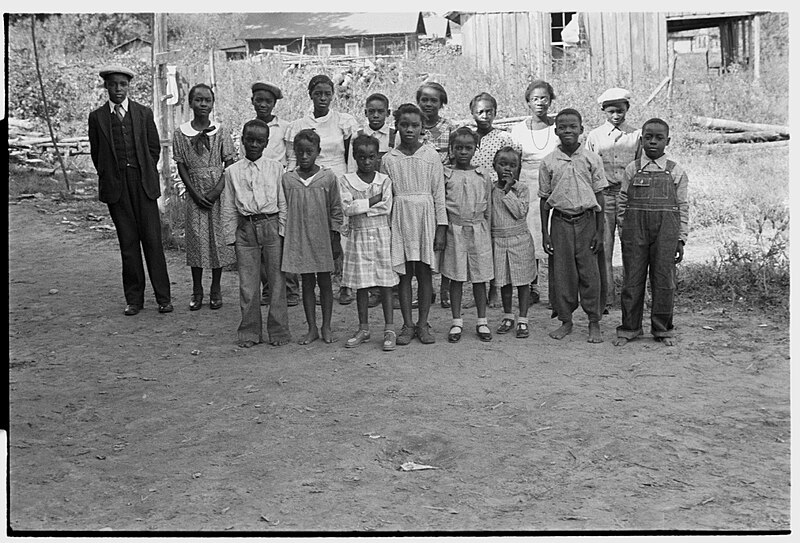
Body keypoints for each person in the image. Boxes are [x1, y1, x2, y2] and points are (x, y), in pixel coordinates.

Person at [88, 65, 172, 316]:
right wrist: (111, 176)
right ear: (106, 87)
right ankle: (134, 300)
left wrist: (143, 170)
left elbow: (153, 148)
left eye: (122, 85)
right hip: (117, 187)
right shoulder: (97, 117)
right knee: (128, 243)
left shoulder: (143, 113)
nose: (117, 89)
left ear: (128, 87)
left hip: (143, 183)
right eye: (113, 84)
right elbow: (96, 153)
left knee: (153, 241)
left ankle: (164, 298)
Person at [613, 118, 689, 347]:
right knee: (632, 280)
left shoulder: (675, 171)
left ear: (668, 140)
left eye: (659, 138)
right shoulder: (632, 169)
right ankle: (630, 328)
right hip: (635, 231)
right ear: (641, 139)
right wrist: (624, 229)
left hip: (666, 231)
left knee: (664, 280)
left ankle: (662, 329)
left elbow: (683, 206)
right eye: (648, 137)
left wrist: (680, 238)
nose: (653, 142)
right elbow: (622, 201)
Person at [285, 75, 358, 306]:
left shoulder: (343, 121)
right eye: (318, 93)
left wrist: (351, 184)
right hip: (307, 182)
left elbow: (351, 154)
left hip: (338, 180)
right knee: (312, 233)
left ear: (333, 95)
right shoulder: (298, 125)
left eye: (327, 93)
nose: (323, 98)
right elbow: (292, 159)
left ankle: (345, 284)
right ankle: (312, 285)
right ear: (310, 95)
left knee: (342, 234)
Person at [380, 104, 447, 345]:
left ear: (422, 127)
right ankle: (407, 324)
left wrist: (441, 227)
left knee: (425, 273)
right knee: (405, 275)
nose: (409, 129)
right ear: (396, 126)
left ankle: (423, 323)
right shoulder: (389, 159)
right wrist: (387, 228)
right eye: (404, 125)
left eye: (415, 125)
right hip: (400, 218)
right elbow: (387, 197)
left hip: (426, 218)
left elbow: (439, 193)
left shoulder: (431, 155)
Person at [539, 108, 607, 343]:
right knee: (563, 274)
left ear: (581, 129)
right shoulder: (548, 162)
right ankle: (565, 321)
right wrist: (545, 234)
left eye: (572, 127)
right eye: (562, 127)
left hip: (587, 222)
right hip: (560, 223)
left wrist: (599, 231)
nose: (568, 131)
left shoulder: (591, 159)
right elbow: (544, 201)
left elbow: (600, 197)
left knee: (590, 274)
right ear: (555, 130)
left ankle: (594, 321)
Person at [221, 119, 290, 348]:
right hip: (246, 229)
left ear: (266, 143)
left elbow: (283, 202)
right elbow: (229, 204)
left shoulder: (276, 168)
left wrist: (282, 231)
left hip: (271, 226)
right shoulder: (232, 172)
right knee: (248, 285)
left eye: (259, 141)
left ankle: (278, 331)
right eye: (249, 139)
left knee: (277, 281)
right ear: (242, 140)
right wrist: (230, 236)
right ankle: (249, 332)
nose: (253, 144)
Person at [172, 83, 236, 312]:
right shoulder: (180, 133)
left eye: (207, 100)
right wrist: (194, 193)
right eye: (198, 100)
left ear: (212, 103)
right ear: (190, 103)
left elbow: (229, 164)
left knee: (217, 240)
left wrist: (217, 190)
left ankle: (215, 289)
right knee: (197, 240)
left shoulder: (220, 131)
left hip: (217, 191)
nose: (203, 104)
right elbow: (181, 165)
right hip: (195, 192)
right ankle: (197, 290)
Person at [282, 129, 344, 345]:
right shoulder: (288, 180)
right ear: (295, 152)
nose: (305, 156)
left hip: (322, 238)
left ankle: (326, 326)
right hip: (299, 238)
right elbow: (284, 211)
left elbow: (336, 208)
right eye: (300, 152)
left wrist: (335, 236)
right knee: (307, 283)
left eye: (309, 152)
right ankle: (311, 328)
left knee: (325, 282)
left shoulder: (327, 177)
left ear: (318, 151)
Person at [585, 87, 642, 314]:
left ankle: (632, 299)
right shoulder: (594, 136)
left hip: (628, 197)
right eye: (611, 111)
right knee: (604, 248)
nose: (616, 115)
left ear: (627, 109)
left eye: (620, 110)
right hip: (604, 196)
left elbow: (640, 165)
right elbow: (588, 167)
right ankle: (606, 299)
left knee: (631, 248)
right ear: (603, 111)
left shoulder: (636, 135)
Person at [339, 135, 398, 351]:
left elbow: (387, 207)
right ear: (354, 157)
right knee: (361, 285)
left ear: (377, 158)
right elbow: (348, 208)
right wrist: (372, 201)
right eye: (361, 157)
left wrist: (361, 205)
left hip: (382, 234)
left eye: (371, 157)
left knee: (385, 283)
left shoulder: (384, 181)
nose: (366, 162)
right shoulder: (346, 180)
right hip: (359, 237)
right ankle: (363, 328)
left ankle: (389, 328)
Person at [249, 81, 300, 308]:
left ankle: (290, 289)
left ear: (274, 103)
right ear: (252, 101)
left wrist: (285, 181)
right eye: (259, 100)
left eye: (267, 101)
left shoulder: (285, 127)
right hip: (257, 192)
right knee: (262, 242)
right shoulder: (249, 127)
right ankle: (268, 288)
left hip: (279, 188)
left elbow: (292, 158)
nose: (263, 105)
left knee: (283, 239)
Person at [440, 127, 494, 343]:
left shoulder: (482, 175)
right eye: (459, 148)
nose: (463, 152)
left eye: (468, 148)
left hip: (478, 230)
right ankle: (456, 321)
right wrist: (442, 230)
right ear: (452, 149)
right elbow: (441, 204)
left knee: (479, 278)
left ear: (476, 148)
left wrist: (488, 232)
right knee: (456, 277)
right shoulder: (446, 174)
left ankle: (482, 321)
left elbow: (488, 206)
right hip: (455, 230)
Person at [469, 91, 521, 308]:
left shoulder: (503, 137)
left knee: (495, 241)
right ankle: (479, 289)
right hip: (473, 195)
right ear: (472, 113)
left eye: (489, 111)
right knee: (478, 241)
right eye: (480, 111)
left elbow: (516, 163)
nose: (484, 115)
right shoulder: (466, 137)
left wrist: (507, 187)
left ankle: (494, 290)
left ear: (495, 113)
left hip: (497, 194)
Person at [510, 80, 559, 307]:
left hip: (554, 186)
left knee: (554, 235)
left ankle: (557, 290)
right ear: (528, 101)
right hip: (526, 187)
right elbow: (514, 162)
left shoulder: (558, 128)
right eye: (535, 98)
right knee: (530, 238)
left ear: (551, 100)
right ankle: (531, 287)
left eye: (544, 98)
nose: (540, 102)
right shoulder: (518, 130)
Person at [347, 92, 397, 309]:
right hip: (360, 189)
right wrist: (367, 201)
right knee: (366, 253)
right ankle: (373, 289)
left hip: (388, 188)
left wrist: (380, 199)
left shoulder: (394, 135)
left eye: (380, 111)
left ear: (388, 113)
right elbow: (351, 171)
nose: (376, 116)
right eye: (371, 111)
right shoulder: (358, 135)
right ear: (365, 112)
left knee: (388, 247)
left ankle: (391, 289)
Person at [416, 81, 457, 308]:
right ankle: (426, 289)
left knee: (445, 239)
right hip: (419, 189)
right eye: (425, 99)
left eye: (434, 100)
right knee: (424, 238)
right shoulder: (413, 125)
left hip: (444, 188)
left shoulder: (448, 128)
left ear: (442, 103)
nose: (429, 104)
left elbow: (453, 159)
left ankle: (446, 289)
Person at [491, 146, 535, 339]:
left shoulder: (522, 189)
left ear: (519, 168)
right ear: (494, 166)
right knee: (504, 281)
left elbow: (519, 213)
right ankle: (508, 315)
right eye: (502, 164)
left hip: (519, 240)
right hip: (499, 240)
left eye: (512, 165)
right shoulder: (491, 189)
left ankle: (523, 318)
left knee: (523, 281)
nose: (507, 169)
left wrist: (509, 190)